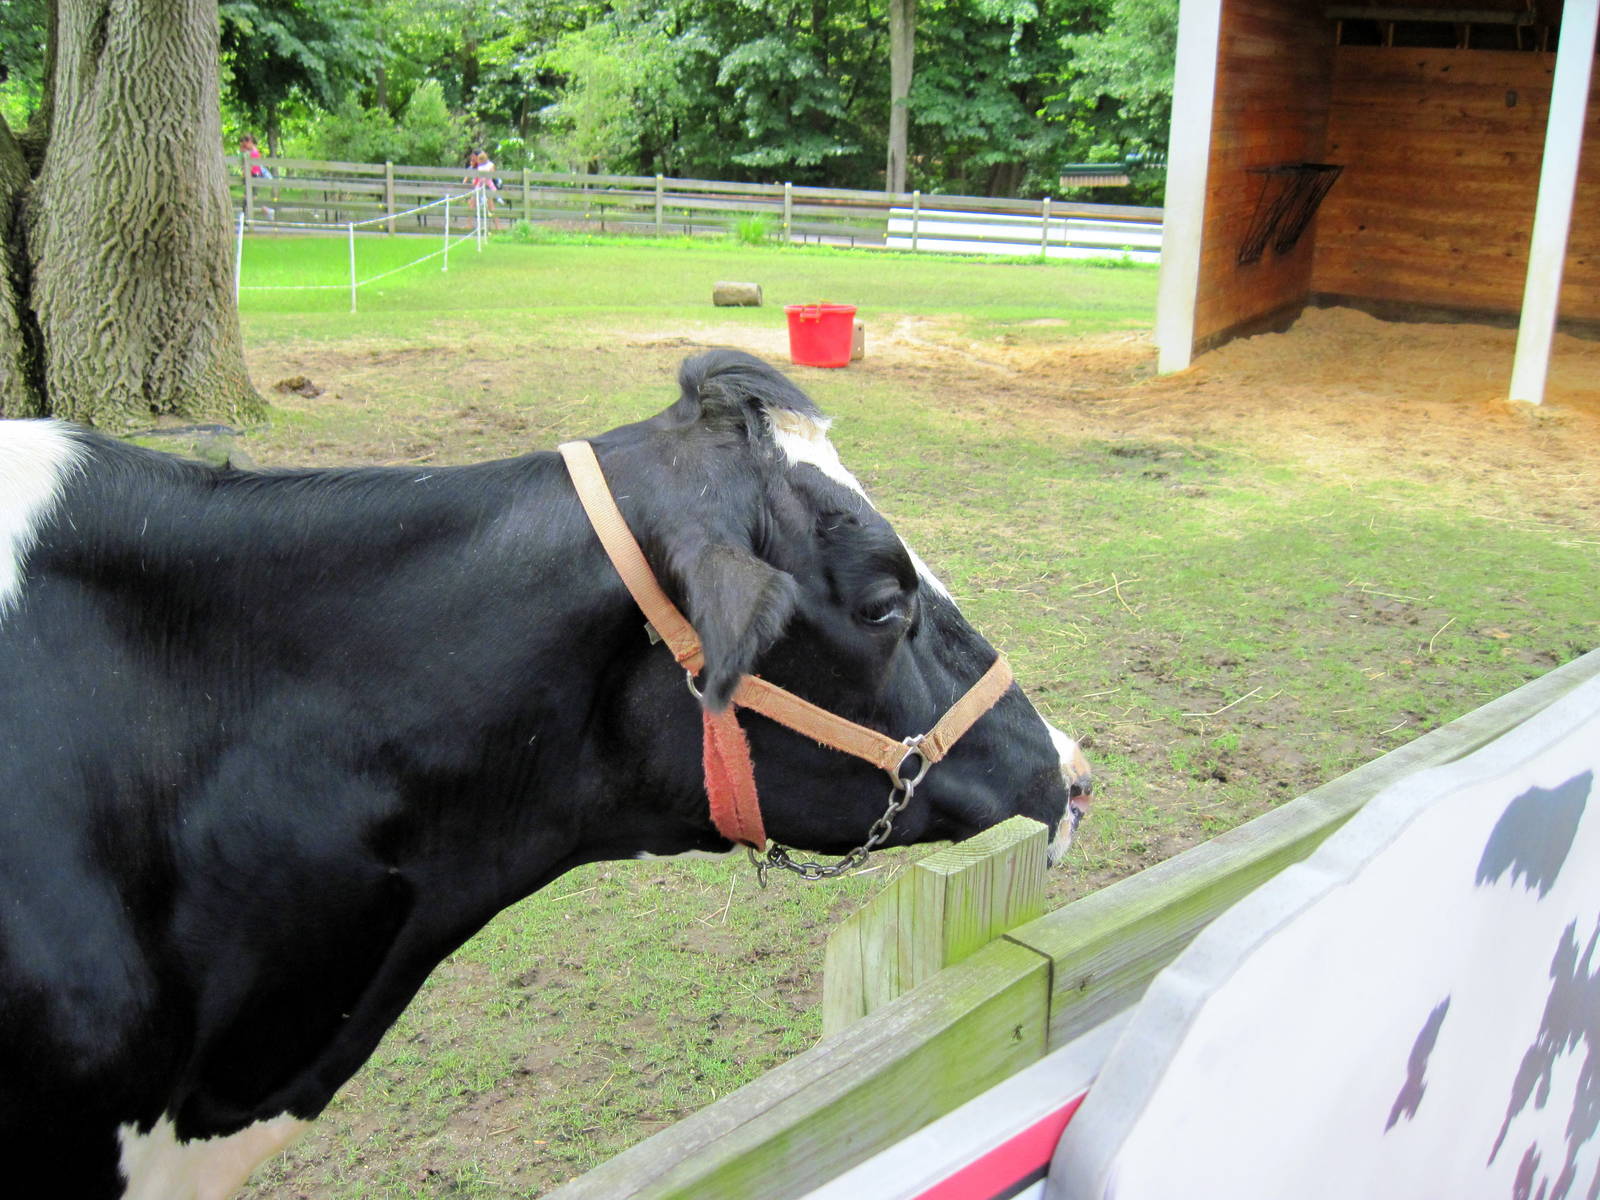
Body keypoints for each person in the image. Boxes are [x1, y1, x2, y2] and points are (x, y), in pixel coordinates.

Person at [462, 149, 500, 229]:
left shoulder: (488, 164)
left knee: (491, 206)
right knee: (472, 204)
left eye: (474, 157)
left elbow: (492, 175)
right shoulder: (474, 166)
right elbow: (467, 179)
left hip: (487, 187)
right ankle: (469, 224)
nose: (473, 159)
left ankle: (497, 226)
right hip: (478, 187)